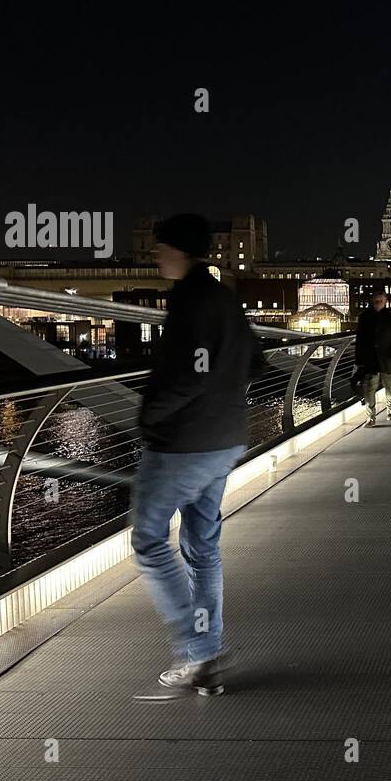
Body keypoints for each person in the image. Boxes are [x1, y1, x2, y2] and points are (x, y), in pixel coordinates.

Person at [132, 213, 261, 697]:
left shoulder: (189, 299)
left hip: (182, 444)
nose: (154, 255)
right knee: (202, 549)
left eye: (160, 247)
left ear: (179, 251)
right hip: (224, 440)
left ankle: (198, 648)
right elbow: (253, 361)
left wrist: (150, 416)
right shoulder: (225, 295)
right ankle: (205, 656)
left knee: (148, 540)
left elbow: (191, 375)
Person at [353, 291, 391, 426]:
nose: (377, 302)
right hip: (370, 359)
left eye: (380, 300)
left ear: (385, 301)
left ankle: (390, 410)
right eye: (375, 300)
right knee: (369, 388)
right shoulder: (364, 317)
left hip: (388, 357)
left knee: (389, 385)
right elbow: (360, 339)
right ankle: (370, 418)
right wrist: (359, 359)